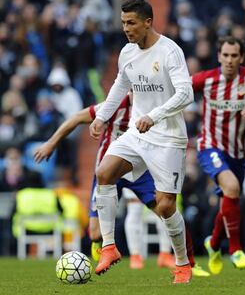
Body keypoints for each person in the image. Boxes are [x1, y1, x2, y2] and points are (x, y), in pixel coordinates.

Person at [34, 93, 209, 277]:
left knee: (168, 213)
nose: (136, 92)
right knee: (94, 233)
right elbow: (77, 117)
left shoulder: (154, 109)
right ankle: (99, 243)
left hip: (140, 173)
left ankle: (189, 262)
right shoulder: (114, 106)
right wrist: (51, 143)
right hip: (109, 172)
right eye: (132, 88)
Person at [88, 0, 194, 284]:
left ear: (148, 22)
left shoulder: (170, 51)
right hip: (137, 133)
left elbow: (186, 94)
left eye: (131, 23)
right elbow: (119, 86)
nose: (126, 28)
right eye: (123, 23)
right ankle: (109, 247)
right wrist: (103, 117)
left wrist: (155, 116)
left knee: (165, 206)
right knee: (104, 173)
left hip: (168, 137)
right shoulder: (127, 53)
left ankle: (183, 263)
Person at [192, 36, 245, 274]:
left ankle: (212, 242)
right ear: (219, 56)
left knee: (229, 200)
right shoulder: (206, 80)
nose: (229, 60)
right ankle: (236, 249)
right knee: (231, 187)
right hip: (210, 146)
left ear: (241, 58)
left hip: (237, 153)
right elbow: (178, 93)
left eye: (234, 56)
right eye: (225, 55)